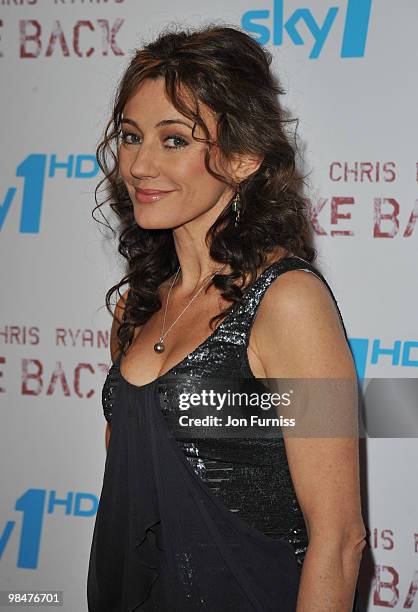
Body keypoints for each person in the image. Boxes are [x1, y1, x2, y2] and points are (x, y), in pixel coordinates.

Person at [87, 24, 366, 611]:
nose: (138, 165)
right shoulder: (136, 309)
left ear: (241, 158)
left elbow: (339, 541)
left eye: (174, 140)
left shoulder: (288, 302)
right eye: (132, 137)